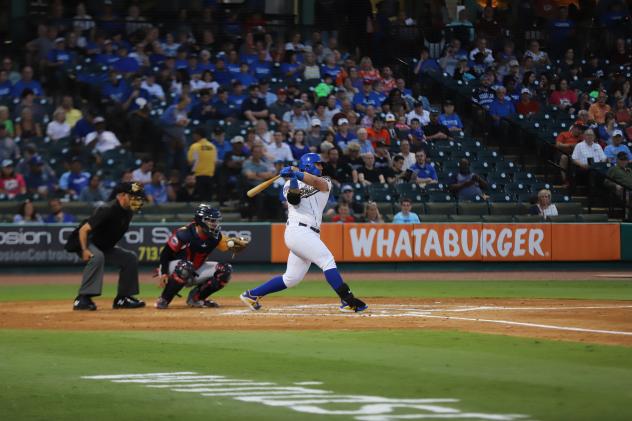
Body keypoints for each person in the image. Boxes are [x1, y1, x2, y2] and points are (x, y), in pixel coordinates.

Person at [240, 153, 367, 313]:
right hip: (297, 231)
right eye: (318, 164)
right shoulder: (288, 185)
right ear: (308, 165)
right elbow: (294, 200)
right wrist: (293, 178)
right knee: (327, 260)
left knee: (291, 278)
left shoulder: (325, 181)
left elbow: (316, 182)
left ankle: (252, 295)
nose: (321, 167)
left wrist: (296, 173)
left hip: (309, 234)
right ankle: (348, 300)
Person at [64, 182, 147, 311]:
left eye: (138, 197)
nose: (136, 200)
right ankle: (83, 299)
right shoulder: (107, 209)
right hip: (85, 242)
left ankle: (123, 298)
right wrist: (85, 250)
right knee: (97, 257)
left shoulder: (128, 211)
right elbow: (83, 230)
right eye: (133, 196)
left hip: (103, 245)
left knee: (129, 258)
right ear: (121, 196)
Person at [155, 205, 249, 309]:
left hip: (195, 268)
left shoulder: (216, 236)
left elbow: (227, 245)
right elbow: (165, 253)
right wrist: (163, 272)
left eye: (216, 221)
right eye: (211, 221)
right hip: (172, 268)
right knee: (186, 266)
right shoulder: (184, 233)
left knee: (225, 270)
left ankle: (196, 298)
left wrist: (235, 244)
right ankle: (164, 299)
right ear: (200, 221)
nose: (214, 224)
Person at [187, 128, 217, 202]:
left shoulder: (195, 146)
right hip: (210, 176)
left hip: (198, 176)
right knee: (209, 200)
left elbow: (190, 162)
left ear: (198, 135)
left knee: (200, 200)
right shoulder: (212, 146)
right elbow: (215, 162)